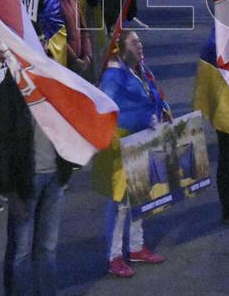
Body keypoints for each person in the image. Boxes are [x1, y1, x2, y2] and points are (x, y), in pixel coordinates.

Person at [0, 44, 76, 295]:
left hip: (54, 177)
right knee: (20, 250)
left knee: (47, 247)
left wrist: (68, 167)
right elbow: (1, 140)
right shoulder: (8, 90)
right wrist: (8, 187)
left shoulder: (53, 83)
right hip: (25, 181)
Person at [93, 30, 167, 278]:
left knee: (139, 197)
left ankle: (136, 247)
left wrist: (162, 112)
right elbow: (106, 109)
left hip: (143, 140)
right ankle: (114, 256)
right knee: (120, 204)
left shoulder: (141, 70)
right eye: (134, 41)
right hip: (122, 144)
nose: (140, 44)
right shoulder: (114, 76)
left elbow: (152, 95)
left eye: (140, 40)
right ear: (120, 47)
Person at [49, 0, 93, 76]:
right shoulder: (51, 1)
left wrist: (87, 56)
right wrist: (74, 60)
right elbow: (56, 36)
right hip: (62, 65)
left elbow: (84, 30)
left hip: (79, 63)